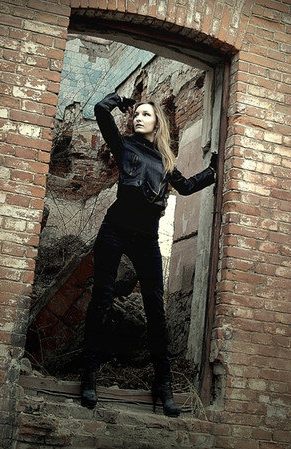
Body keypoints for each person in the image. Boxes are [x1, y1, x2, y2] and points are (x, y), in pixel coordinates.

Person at [80, 92, 217, 417]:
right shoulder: (124, 145)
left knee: (156, 309)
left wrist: (212, 171)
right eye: (136, 114)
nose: (139, 118)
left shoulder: (165, 161)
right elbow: (100, 111)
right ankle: (89, 375)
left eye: (146, 114)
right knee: (101, 299)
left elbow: (185, 187)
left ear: (157, 123)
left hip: (146, 238)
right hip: (115, 229)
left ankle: (164, 385)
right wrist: (119, 100)